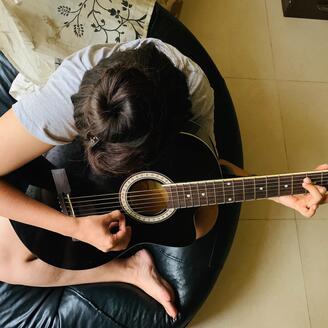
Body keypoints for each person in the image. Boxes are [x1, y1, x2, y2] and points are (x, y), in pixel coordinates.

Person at [0, 6, 328, 323]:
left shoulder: (195, 103)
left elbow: (205, 166)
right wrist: (74, 228)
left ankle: (132, 263)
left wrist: (280, 190)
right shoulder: (64, 98)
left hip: (165, 141)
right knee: (7, 263)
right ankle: (126, 269)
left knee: (200, 224)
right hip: (63, 178)